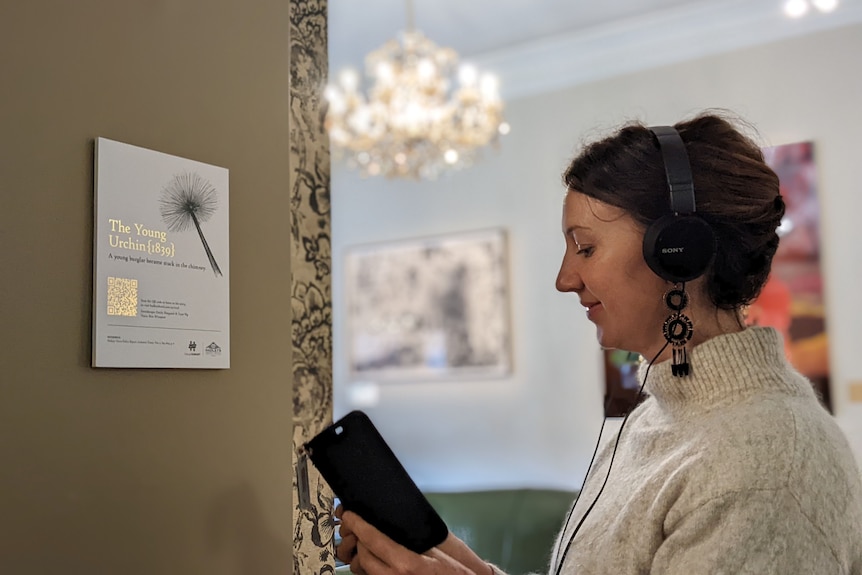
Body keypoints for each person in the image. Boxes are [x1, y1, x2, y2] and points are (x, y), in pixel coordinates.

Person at [334, 111, 862, 574]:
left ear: (676, 251)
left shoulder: (768, 464)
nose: (565, 279)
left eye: (584, 248)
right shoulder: (657, 419)